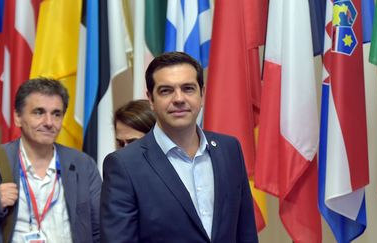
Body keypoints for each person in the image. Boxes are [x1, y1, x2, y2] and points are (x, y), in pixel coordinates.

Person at [100, 52, 258, 242]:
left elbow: (246, 233)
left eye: (188, 88)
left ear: (202, 93)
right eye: (166, 90)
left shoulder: (229, 149)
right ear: (151, 99)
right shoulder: (124, 165)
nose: (179, 99)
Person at [0, 78, 101, 243]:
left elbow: (100, 230)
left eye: (56, 114)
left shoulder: (84, 165)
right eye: (39, 112)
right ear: (18, 117)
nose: (49, 123)